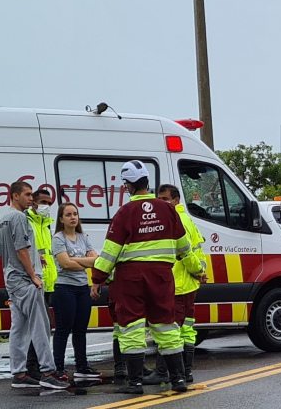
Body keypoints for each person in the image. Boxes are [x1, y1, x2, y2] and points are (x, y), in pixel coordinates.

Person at [91, 161, 202, 394]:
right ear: (147, 183)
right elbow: (185, 248)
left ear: (127, 185)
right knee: (166, 326)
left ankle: (135, 383)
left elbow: (110, 251)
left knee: (131, 328)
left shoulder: (125, 212)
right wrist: (197, 270)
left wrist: (98, 276)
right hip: (162, 278)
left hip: (130, 280)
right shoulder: (168, 210)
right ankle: (179, 379)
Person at [0, 181, 68, 390]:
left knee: (19, 328)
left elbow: (10, 250)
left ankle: (19, 374)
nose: (31, 199)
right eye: (27, 195)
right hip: (25, 279)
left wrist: (36, 257)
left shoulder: (4, 219)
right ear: (14, 196)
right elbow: (21, 249)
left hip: (11, 278)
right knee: (40, 325)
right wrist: (34, 276)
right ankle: (48, 372)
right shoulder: (20, 217)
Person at [144, 184, 208, 385]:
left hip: (177, 285)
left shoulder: (175, 220)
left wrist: (198, 271)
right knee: (186, 330)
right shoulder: (186, 219)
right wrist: (200, 273)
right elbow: (197, 253)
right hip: (187, 284)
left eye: (165, 199)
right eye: (159, 199)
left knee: (169, 330)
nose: (161, 203)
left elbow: (187, 254)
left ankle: (163, 372)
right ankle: (186, 371)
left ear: (176, 200)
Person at [51, 203, 101, 381]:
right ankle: (58, 368)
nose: (73, 217)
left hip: (82, 289)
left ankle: (82, 366)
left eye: (75, 214)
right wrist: (83, 261)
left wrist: (74, 259)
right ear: (61, 219)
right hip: (64, 289)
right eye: (68, 214)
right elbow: (65, 264)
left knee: (80, 330)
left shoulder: (83, 237)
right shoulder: (58, 238)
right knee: (63, 329)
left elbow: (97, 261)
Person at [24, 188, 56, 379]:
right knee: (38, 326)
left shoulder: (45, 224)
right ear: (33, 203)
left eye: (49, 203)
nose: (47, 206)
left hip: (48, 282)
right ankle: (32, 367)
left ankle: (34, 366)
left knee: (45, 325)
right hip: (34, 280)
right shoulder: (27, 221)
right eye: (43, 202)